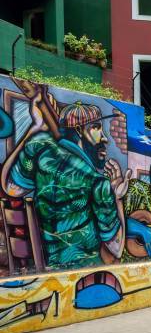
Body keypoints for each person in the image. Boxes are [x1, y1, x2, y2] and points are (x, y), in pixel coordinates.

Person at [1, 95, 130, 269]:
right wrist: (117, 197)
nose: (105, 138)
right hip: (83, 272)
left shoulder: (39, 149)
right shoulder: (97, 183)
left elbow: (10, 188)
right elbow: (116, 249)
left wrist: (35, 128)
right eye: (96, 128)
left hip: (43, 266)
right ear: (78, 130)